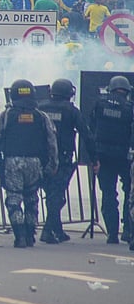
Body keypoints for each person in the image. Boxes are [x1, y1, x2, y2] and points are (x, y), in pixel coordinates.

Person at [0, 79, 58, 248]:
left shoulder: (6, 115)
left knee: (14, 198)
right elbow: (52, 142)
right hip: (34, 162)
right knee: (31, 198)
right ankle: (30, 235)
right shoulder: (41, 116)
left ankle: (19, 235)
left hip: (12, 161)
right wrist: (53, 165)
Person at [38, 78, 95, 244]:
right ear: (69, 93)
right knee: (57, 196)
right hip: (62, 158)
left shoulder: (41, 107)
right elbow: (86, 134)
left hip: (42, 157)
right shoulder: (71, 111)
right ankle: (48, 230)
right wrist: (94, 157)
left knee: (52, 194)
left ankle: (57, 229)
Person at [90, 74, 133, 244]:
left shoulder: (99, 104)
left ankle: (112, 234)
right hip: (125, 157)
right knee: (129, 193)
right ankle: (128, 231)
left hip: (103, 156)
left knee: (108, 194)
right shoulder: (130, 108)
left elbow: (92, 127)